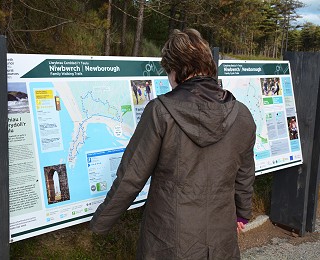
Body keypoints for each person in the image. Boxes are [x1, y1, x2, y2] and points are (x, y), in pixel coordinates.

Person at [90, 28, 256, 259]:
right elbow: (245, 172)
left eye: (168, 72)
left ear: (177, 69)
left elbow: (132, 175)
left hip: (169, 239)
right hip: (221, 236)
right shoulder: (242, 114)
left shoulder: (160, 112)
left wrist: (100, 223)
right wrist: (242, 214)